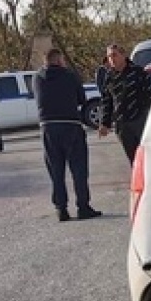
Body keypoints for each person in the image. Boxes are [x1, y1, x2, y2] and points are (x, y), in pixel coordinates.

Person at [33, 48, 101, 222]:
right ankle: (83, 207)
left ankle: (61, 209)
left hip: (48, 127)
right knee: (79, 169)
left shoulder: (37, 78)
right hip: (70, 125)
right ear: (59, 60)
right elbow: (81, 99)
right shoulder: (70, 76)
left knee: (56, 170)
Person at [99, 44, 151, 164]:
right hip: (122, 124)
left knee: (147, 157)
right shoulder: (109, 77)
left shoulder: (138, 72)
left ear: (123, 55)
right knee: (133, 159)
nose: (112, 59)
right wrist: (105, 123)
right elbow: (107, 101)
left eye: (114, 55)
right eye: (109, 57)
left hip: (140, 120)